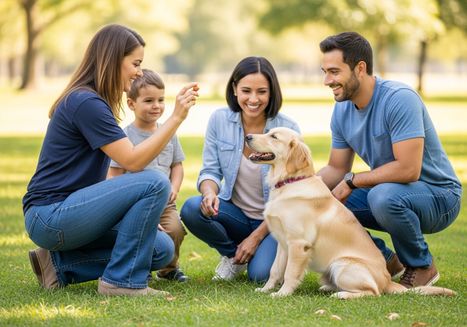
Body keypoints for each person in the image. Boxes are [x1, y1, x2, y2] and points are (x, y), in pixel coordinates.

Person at [22, 24, 199, 296]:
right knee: (154, 181)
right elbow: (133, 161)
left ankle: (57, 266)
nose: (139, 71)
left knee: (161, 248)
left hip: (72, 212)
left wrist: (142, 220)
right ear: (114, 59)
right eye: (136, 63)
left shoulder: (93, 101)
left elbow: (108, 180)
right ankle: (121, 281)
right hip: (51, 215)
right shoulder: (86, 103)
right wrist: (175, 118)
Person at [317, 31, 462, 288]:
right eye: (324, 71)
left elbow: (409, 170)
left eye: (334, 72)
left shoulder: (399, 99)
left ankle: (421, 266)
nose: (327, 80)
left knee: (381, 196)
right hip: (392, 191)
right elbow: (336, 168)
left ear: (360, 68)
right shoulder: (341, 110)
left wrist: (353, 182)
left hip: (440, 197)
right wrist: (299, 189)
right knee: (323, 204)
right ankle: (385, 259)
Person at [181, 56, 300, 282]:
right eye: (246, 90)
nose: (253, 99)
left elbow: (289, 198)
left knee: (260, 275)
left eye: (262, 92)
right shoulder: (219, 120)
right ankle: (231, 256)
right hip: (235, 215)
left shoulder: (288, 129)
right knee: (192, 207)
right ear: (235, 89)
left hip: (274, 222)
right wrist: (209, 193)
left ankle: (255, 250)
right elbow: (210, 171)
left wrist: (255, 238)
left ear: (272, 92)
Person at [107, 69, 189, 282]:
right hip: (136, 204)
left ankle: (170, 269)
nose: (157, 106)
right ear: (132, 104)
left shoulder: (168, 132)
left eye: (161, 100)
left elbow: (177, 166)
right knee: (142, 235)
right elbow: (114, 173)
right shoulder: (125, 136)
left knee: (175, 229)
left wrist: (175, 187)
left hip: (165, 204)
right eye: (149, 100)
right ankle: (143, 270)